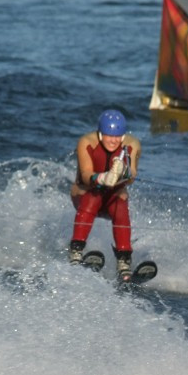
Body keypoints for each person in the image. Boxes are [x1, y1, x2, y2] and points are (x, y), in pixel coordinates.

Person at [69, 109, 141, 277]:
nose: (113, 141)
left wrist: (123, 172)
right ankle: (76, 251)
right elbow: (86, 175)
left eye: (117, 137)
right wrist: (103, 178)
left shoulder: (132, 145)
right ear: (101, 134)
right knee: (92, 198)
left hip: (112, 198)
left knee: (121, 203)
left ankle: (124, 260)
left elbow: (132, 177)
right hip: (85, 195)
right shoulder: (86, 142)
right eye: (109, 136)